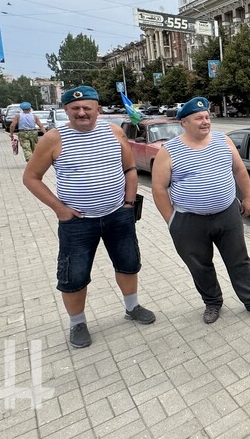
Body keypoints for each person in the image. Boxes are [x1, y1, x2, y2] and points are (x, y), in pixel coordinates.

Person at [23, 85, 155, 348]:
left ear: (98, 109)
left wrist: (129, 203)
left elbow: (130, 169)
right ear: (66, 109)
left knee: (128, 263)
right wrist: (60, 209)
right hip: (77, 222)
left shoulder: (114, 132)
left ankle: (132, 307)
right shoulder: (53, 139)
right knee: (74, 275)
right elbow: (31, 177)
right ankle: (78, 323)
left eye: (87, 108)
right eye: (75, 108)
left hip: (118, 214)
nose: (81, 112)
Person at [151, 97, 250, 324]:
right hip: (189, 220)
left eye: (207, 117)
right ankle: (212, 303)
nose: (205, 121)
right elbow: (158, 188)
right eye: (199, 118)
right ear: (184, 122)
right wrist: (172, 220)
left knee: (239, 260)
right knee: (200, 265)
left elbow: (239, 170)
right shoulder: (169, 151)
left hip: (227, 214)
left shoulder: (222, 140)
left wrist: (248, 197)